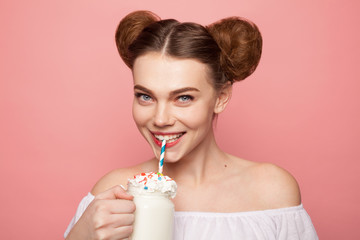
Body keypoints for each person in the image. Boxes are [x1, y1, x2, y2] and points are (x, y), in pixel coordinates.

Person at [64, 10, 318, 240]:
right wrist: (82, 235)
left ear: (221, 97)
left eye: (183, 98)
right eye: (146, 96)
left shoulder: (272, 190)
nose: (160, 119)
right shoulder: (113, 191)